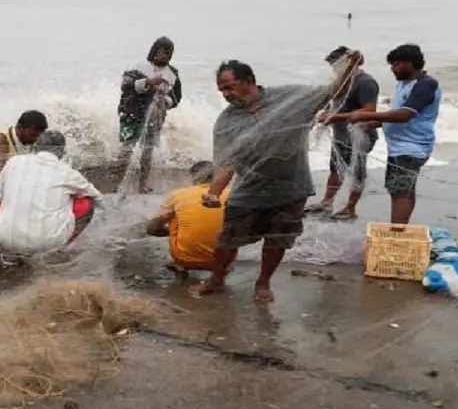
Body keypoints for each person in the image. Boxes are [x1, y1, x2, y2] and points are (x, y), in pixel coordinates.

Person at [191, 59, 361, 302]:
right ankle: (216, 279)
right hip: (249, 189)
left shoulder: (290, 97)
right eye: (221, 90)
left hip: (291, 186)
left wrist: (351, 66)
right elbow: (226, 163)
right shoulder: (226, 122)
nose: (225, 95)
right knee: (228, 239)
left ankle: (263, 282)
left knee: (278, 239)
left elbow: (334, 90)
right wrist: (214, 193)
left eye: (229, 87)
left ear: (249, 82)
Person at [333, 44, 440, 224]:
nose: (392, 68)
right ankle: (400, 230)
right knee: (404, 190)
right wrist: (373, 123)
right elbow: (398, 114)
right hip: (400, 147)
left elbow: (406, 115)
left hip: (411, 147)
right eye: (392, 64)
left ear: (410, 63)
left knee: (400, 193)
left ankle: (396, 234)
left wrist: (365, 114)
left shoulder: (425, 85)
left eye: (397, 64)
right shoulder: (403, 84)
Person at [0, 130, 103, 255]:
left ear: (35, 147)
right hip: (49, 243)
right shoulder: (67, 172)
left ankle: (10, 245)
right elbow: (97, 197)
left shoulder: (14, 161)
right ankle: (62, 248)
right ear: (62, 153)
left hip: (5, 239)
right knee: (86, 201)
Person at [308, 46, 379, 220]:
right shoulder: (340, 80)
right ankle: (327, 202)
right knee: (335, 169)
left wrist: (335, 117)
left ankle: (350, 208)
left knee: (357, 172)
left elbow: (369, 112)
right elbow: (332, 99)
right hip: (340, 135)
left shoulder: (365, 82)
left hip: (360, 136)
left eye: (336, 64)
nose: (334, 68)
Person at [117, 36, 182, 193]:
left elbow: (177, 97)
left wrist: (166, 101)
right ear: (154, 51)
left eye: (168, 53)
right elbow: (125, 85)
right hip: (131, 113)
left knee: (148, 150)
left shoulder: (173, 73)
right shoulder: (138, 66)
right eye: (161, 52)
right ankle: (118, 182)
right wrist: (148, 82)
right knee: (126, 149)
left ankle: (143, 184)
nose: (164, 56)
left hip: (155, 117)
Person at [146, 160, 232, 274]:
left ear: (194, 177)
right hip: (224, 261)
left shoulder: (178, 195)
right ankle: (222, 271)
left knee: (175, 217)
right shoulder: (232, 194)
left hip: (185, 259)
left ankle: (181, 265)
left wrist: (175, 231)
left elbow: (152, 229)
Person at [0, 110, 47, 200]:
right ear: (20, 128)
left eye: (40, 135)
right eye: (33, 135)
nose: (36, 139)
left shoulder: (36, 141)